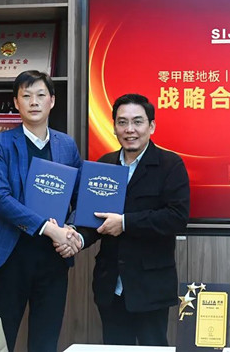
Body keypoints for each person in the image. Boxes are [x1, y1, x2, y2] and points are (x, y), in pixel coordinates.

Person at [66, 93, 190, 346]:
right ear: (114, 127)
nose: (129, 129)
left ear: (151, 126)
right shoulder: (105, 165)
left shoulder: (170, 165)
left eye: (137, 122)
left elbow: (176, 217)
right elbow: (93, 220)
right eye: (122, 122)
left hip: (150, 286)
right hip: (110, 285)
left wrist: (125, 223)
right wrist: (76, 237)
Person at [0, 70, 83, 352]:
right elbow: (1, 199)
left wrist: (71, 229)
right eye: (26, 96)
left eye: (40, 95)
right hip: (9, 257)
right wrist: (49, 228)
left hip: (52, 258)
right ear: (16, 102)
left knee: (45, 342)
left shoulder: (66, 145)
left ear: (52, 101)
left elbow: (79, 197)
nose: (34, 102)